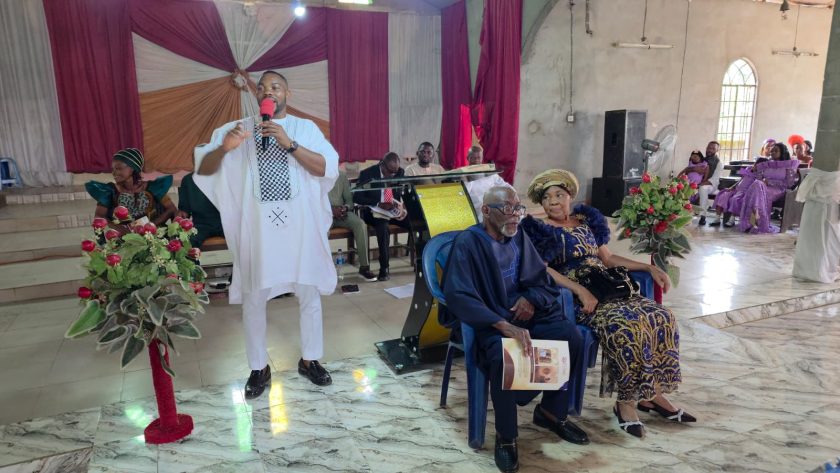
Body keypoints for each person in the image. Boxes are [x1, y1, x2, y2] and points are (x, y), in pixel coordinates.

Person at [194, 70, 338, 397]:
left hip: (300, 229)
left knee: (309, 294)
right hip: (258, 232)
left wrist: (290, 144)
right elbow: (204, 169)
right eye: (261, 88)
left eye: (275, 87)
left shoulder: (305, 129)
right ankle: (259, 367)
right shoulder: (238, 129)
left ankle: (310, 359)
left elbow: (326, 168)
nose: (267, 92)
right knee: (254, 299)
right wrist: (224, 149)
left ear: (288, 93)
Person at [520, 169, 695, 440]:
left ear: (570, 196)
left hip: (609, 287)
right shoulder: (540, 230)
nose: (553, 201)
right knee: (624, 326)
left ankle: (652, 394)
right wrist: (580, 290)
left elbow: (609, 259)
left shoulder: (585, 222)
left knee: (661, 316)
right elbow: (543, 269)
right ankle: (625, 403)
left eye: (559, 194)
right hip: (580, 297)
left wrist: (648, 268)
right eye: (547, 197)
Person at [442, 186, 589, 473]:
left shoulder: (518, 235)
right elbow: (458, 295)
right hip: (491, 321)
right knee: (504, 357)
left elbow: (539, 278)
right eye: (508, 209)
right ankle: (506, 436)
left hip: (525, 314)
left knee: (571, 337)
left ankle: (551, 413)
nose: (515, 216)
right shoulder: (468, 243)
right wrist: (502, 325)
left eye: (518, 209)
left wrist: (530, 299)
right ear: (486, 211)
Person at [85, 148, 177, 233]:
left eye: (118, 168)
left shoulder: (153, 187)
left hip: (153, 236)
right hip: (123, 239)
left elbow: (171, 209)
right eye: (113, 169)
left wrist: (152, 225)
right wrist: (121, 229)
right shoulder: (110, 191)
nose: (114, 173)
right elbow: (99, 216)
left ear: (133, 168)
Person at [354, 152, 410, 281]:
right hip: (374, 212)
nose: (392, 175)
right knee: (383, 228)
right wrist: (378, 203)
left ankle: (422, 261)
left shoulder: (399, 172)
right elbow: (357, 197)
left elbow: (404, 192)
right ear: (382, 164)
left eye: (394, 172)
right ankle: (384, 268)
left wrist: (402, 206)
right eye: (389, 172)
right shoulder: (367, 174)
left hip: (393, 211)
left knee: (415, 222)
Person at [738, 143, 800, 233]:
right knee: (757, 185)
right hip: (762, 187)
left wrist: (769, 182)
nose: (773, 152)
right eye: (772, 151)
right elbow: (759, 178)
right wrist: (763, 181)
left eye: (776, 151)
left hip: (779, 189)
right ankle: (755, 220)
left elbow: (789, 183)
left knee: (757, 189)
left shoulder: (789, 165)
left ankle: (754, 222)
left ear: (782, 152)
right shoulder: (767, 164)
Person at [328, 170, 377, 281]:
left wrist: (344, 208)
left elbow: (349, 201)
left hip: (342, 214)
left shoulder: (341, 175)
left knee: (361, 225)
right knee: (321, 230)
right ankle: (321, 270)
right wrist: (330, 210)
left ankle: (364, 267)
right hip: (323, 214)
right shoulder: (315, 173)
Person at [458, 146, 512, 222]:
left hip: (492, 204)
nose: (476, 161)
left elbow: (504, 185)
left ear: (482, 158)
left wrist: (513, 193)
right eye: (473, 158)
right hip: (476, 208)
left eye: (478, 158)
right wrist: (465, 179)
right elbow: (463, 193)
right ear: (468, 158)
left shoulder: (489, 172)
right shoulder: (463, 174)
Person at [177, 172, 224, 249]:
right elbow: (184, 211)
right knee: (184, 243)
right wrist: (177, 223)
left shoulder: (225, 176)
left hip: (225, 223)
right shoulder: (188, 180)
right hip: (200, 225)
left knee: (244, 237)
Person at [695, 141, 721, 226]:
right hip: (699, 183)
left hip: (711, 186)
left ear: (717, 150)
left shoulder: (719, 163)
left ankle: (703, 216)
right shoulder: (702, 160)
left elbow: (715, 179)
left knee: (703, 188)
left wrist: (701, 184)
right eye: (709, 148)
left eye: (713, 148)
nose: (710, 150)